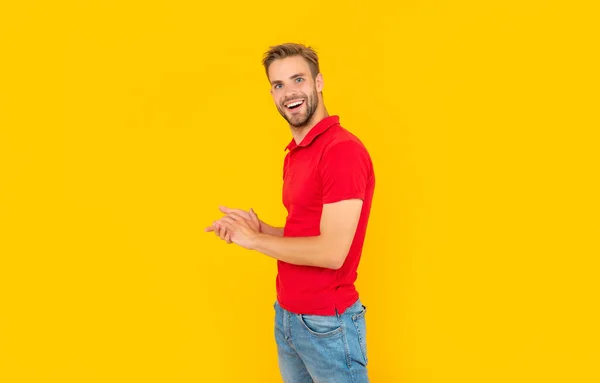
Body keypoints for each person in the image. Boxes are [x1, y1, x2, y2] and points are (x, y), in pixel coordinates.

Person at [205, 43, 375, 383]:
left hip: (327, 324)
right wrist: (263, 229)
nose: (289, 92)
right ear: (271, 93)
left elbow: (331, 252)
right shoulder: (297, 153)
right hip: (289, 318)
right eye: (279, 85)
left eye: (298, 79)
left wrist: (254, 241)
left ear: (319, 82)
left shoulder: (341, 151)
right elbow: (308, 234)